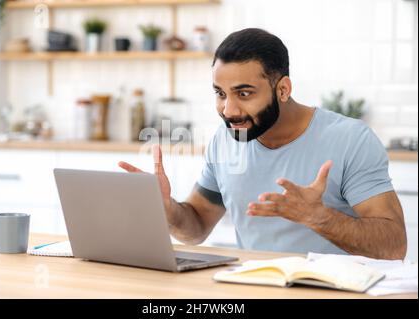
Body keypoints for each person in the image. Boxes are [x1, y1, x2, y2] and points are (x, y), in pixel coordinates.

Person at [119, 28, 406, 260]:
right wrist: (167, 209)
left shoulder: (350, 140)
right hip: (253, 288)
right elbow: (196, 229)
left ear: (283, 89)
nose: (228, 110)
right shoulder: (224, 140)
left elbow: (394, 247)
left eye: (244, 94)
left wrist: (319, 218)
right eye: (220, 93)